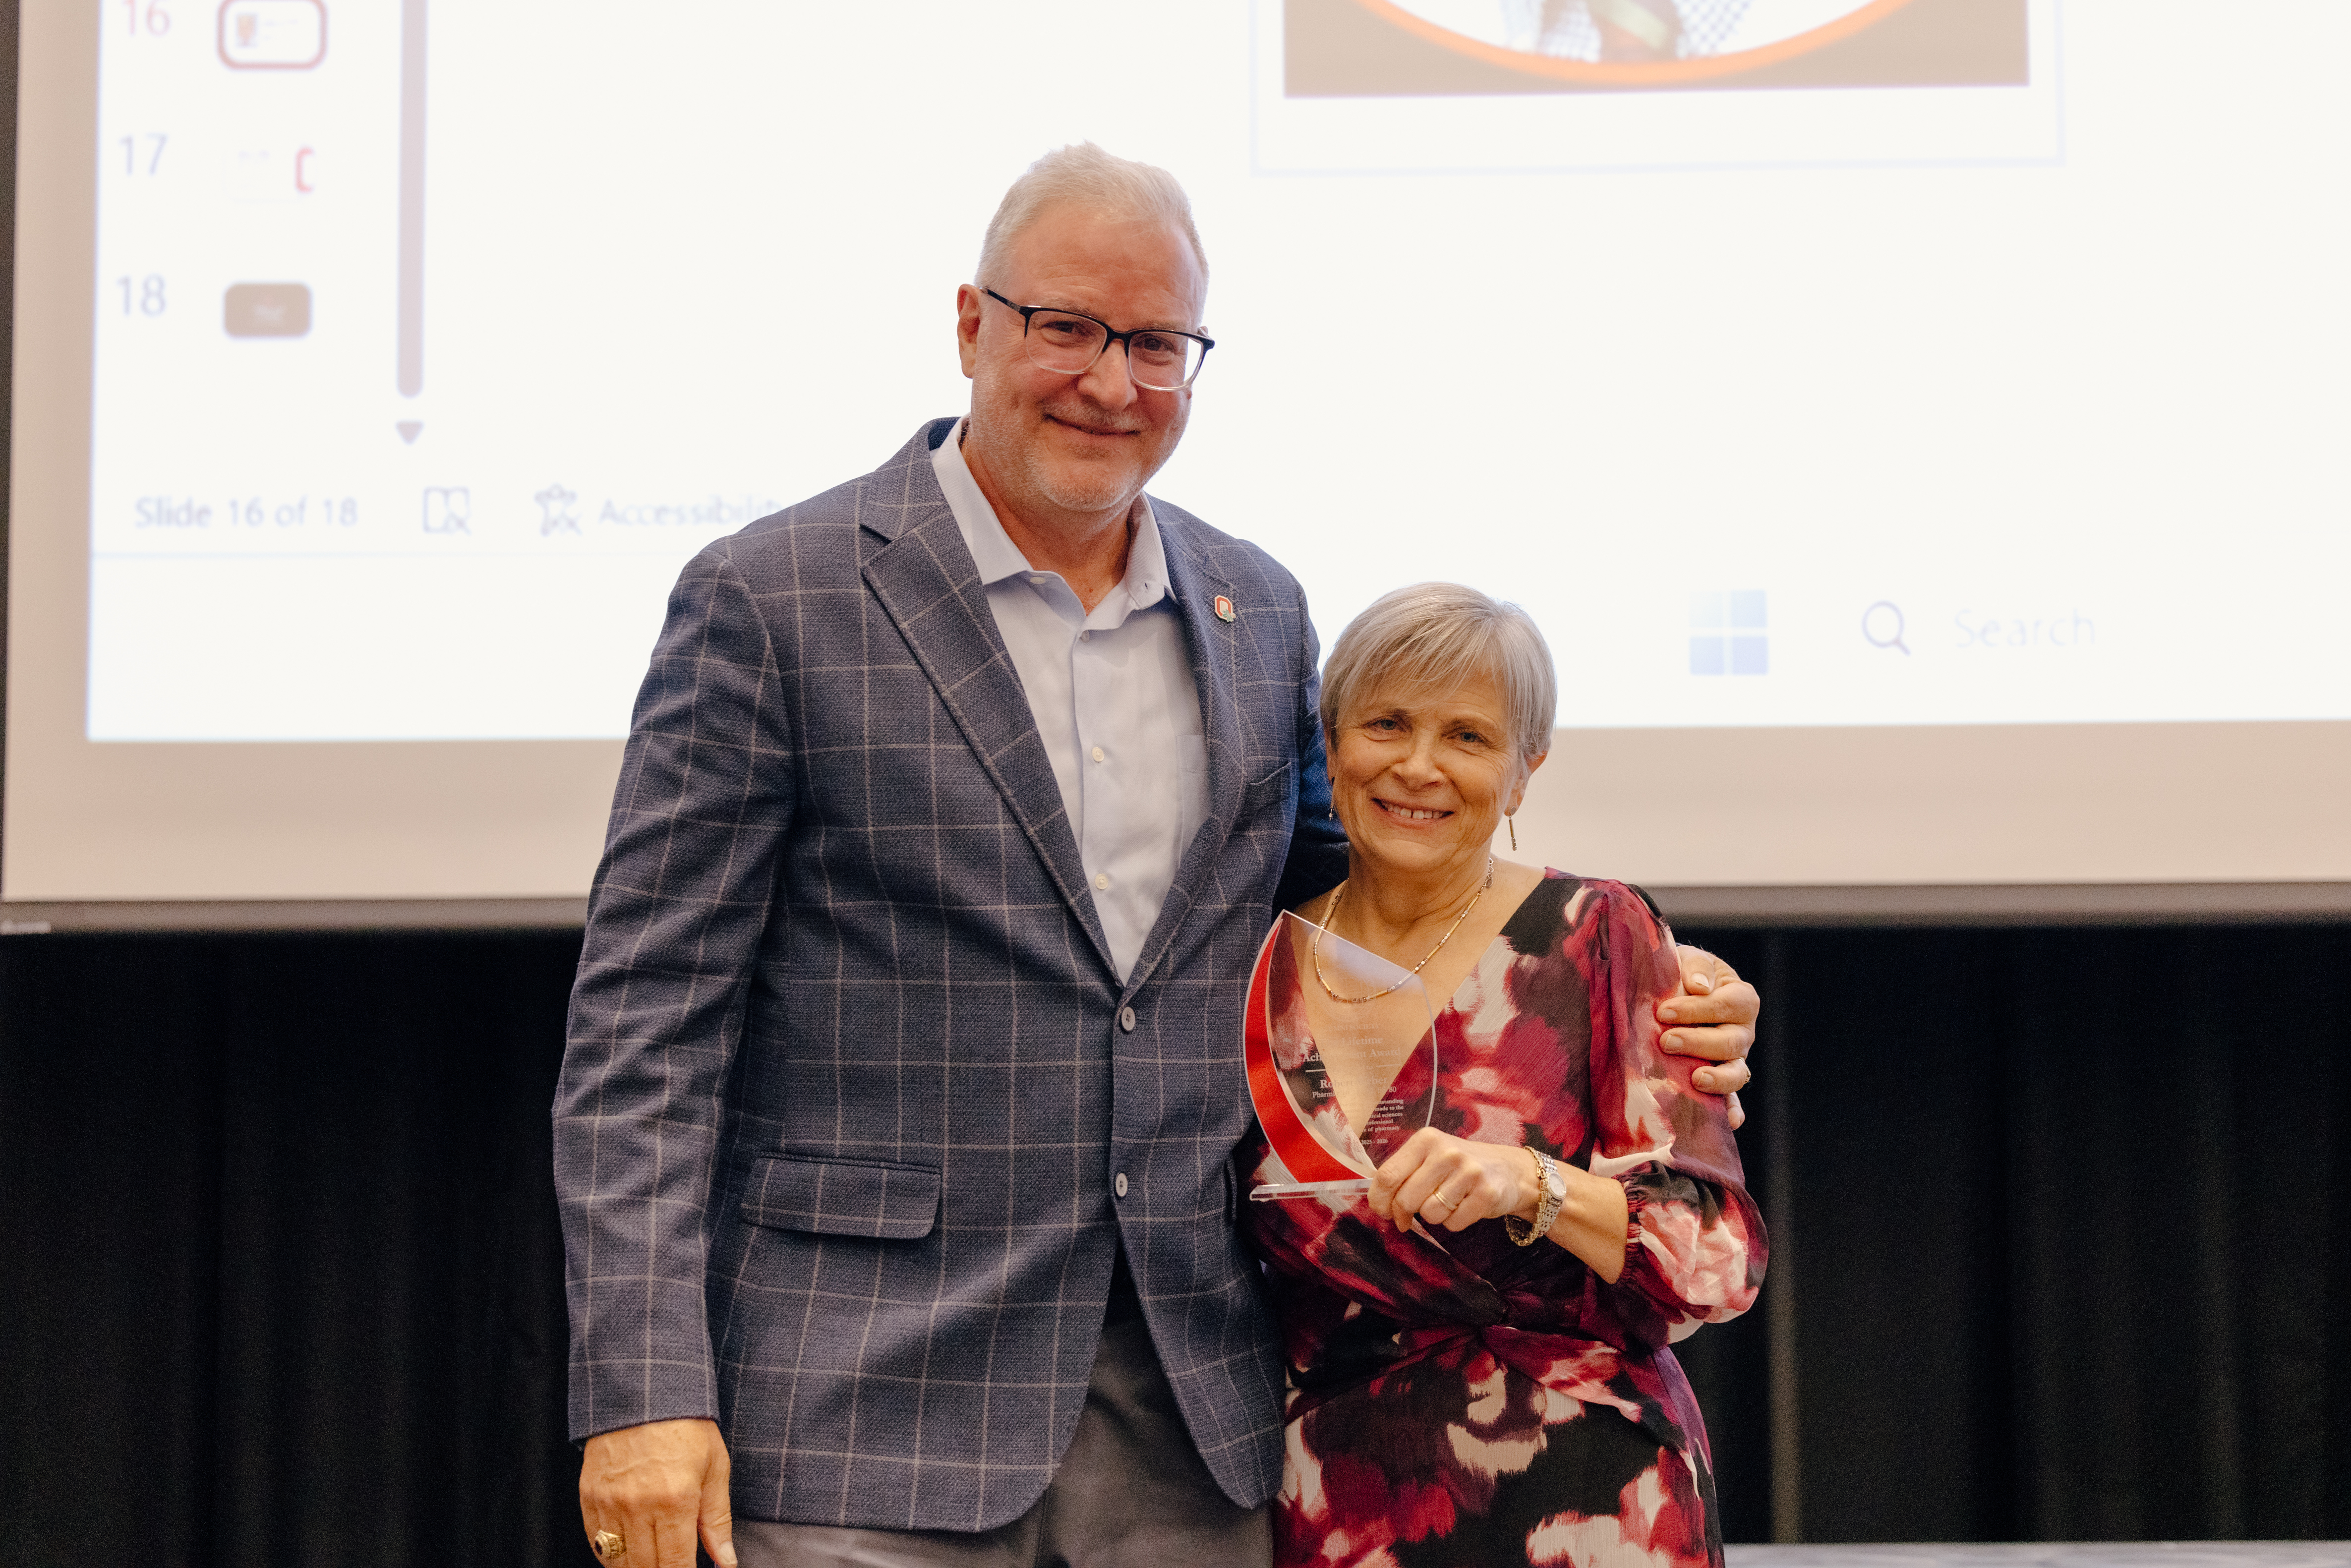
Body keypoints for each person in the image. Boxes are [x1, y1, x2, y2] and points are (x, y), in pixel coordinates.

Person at [552, 143, 1759, 1568]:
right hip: (858, 1410)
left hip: (1195, 1420)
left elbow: (1359, 914)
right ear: (968, 324)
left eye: (1154, 344)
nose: (1109, 381)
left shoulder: (1252, 604)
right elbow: (643, 1033)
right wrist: (643, 1393)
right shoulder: (773, 598)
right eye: (1063, 326)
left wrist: (1626, 980)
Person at [1241, 581, 1762, 1568]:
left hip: (1593, 1503)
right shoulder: (1249, 964)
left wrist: (1532, 1183)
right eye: (1386, 723)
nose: (1419, 765)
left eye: (1468, 737)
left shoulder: (1601, 937)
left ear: (1524, 772)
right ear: (1331, 744)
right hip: (1335, 1507)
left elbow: (1717, 1261)